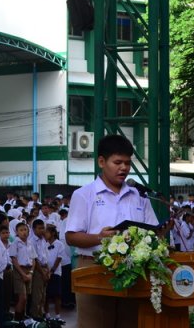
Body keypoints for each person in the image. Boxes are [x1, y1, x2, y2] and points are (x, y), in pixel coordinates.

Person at [65, 134, 159, 328]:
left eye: (127, 163)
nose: (124, 168)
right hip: (94, 269)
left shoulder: (139, 196)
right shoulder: (84, 195)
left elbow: (153, 231)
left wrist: (161, 233)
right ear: (101, 161)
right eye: (117, 162)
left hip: (133, 273)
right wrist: (100, 237)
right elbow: (71, 236)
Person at [9, 222, 36, 324]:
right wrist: (23, 274)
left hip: (29, 270)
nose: (24, 232)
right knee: (22, 297)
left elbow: (34, 259)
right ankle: (17, 320)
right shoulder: (15, 243)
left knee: (26, 298)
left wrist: (31, 273)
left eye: (25, 230)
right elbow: (14, 259)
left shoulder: (30, 243)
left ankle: (23, 320)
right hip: (19, 271)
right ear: (17, 232)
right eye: (21, 230)